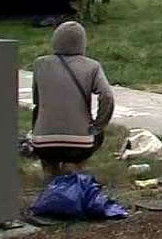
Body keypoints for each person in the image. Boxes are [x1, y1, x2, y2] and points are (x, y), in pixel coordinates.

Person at [30, 21, 115, 179]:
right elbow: (107, 96)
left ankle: (50, 172)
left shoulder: (40, 64)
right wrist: (97, 126)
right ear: (82, 43)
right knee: (96, 134)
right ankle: (75, 167)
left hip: (44, 144)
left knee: (37, 114)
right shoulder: (92, 67)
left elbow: (37, 100)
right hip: (79, 145)